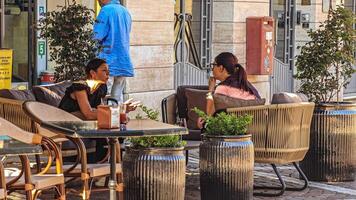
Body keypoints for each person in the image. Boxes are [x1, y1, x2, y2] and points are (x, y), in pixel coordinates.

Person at [59, 58, 138, 120]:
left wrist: (122, 108)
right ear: (93, 73)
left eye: (108, 71)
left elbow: (101, 109)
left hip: (83, 121)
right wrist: (118, 112)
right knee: (101, 117)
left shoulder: (101, 87)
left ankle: (113, 140)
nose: (108, 74)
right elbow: (89, 114)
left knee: (107, 117)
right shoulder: (80, 87)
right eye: (104, 70)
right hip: (66, 120)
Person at [198, 52, 261, 128]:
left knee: (202, 124)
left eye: (213, 65)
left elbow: (209, 115)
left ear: (221, 68)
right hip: (254, 130)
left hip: (231, 132)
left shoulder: (222, 88)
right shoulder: (247, 85)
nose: (212, 69)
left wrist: (210, 90)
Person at [94, 0, 133, 103]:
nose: (98, 2)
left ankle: (106, 118)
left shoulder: (106, 10)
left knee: (104, 96)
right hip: (123, 60)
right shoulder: (125, 12)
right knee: (116, 98)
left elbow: (97, 35)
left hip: (107, 59)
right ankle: (116, 117)